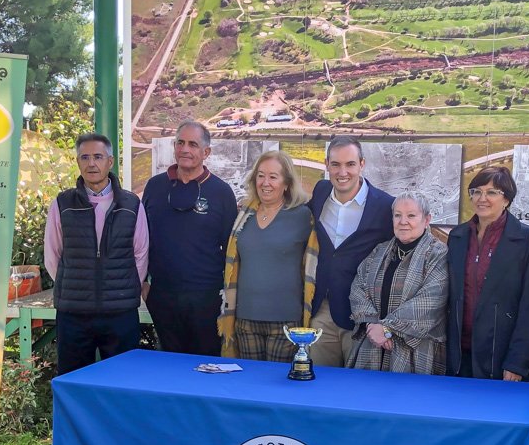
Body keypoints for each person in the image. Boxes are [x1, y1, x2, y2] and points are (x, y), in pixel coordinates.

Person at [44, 133, 149, 375]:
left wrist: (124, 286)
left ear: (110, 162)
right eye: (85, 157)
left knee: (123, 379)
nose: (92, 163)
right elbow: (53, 254)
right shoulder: (63, 204)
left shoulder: (131, 204)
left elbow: (141, 253)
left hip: (120, 311)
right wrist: (75, 284)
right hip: (74, 313)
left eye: (98, 157)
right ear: (78, 162)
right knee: (74, 381)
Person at [141, 120, 237, 355]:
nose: (185, 149)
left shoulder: (221, 192)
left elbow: (232, 249)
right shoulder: (155, 187)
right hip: (162, 297)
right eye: (180, 143)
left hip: (206, 299)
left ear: (206, 152)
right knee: (170, 367)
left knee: (206, 366)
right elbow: (141, 240)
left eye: (193, 144)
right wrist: (143, 284)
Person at [446, 166, 529, 380]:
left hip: (502, 357)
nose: (482, 198)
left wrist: (517, 362)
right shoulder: (457, 237)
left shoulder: (527, 240)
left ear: (507, 199)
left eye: (492, 192)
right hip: (460, 357)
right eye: (476, 191)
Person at [218, 151, 318, 361]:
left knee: (277, 388)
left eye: (273, 177)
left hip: (285, 322)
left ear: (287, 183)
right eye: (261, 175)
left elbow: (312, 265)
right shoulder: (244, 215)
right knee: (249, 386)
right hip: (245, 320)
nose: (265, 182)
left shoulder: (302, 216)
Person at [308, 137, 395, 367]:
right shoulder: (320, 192)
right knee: (318, 385)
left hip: (362, 318)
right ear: (327, 164)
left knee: (356, 390)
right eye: (335, 164)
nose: (342, 172)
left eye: (350, 164)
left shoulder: (385, 206)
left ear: (362, 164)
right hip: (322, 312)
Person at [347, 191, 449, 375]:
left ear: (427, 220)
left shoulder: (439, 254)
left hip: (413, 350)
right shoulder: (380, 250)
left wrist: (387, 328)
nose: (403, 221)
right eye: (397, 215)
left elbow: (431, 299)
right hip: (372, 344)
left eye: (411, 215)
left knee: (407, 402)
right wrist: (372, 325)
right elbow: (358, 287)